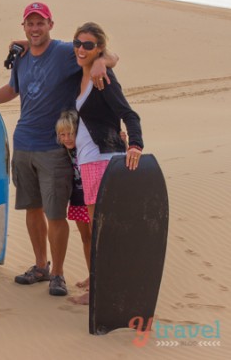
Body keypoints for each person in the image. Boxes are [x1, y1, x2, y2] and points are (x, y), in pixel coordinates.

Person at [0, 2, 117, 297]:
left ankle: (58, 273)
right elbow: (13, 89)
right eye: (30, 24)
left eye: (40, 23)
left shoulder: (64, 52)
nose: (35, 28)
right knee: (32, 209)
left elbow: (104, 52)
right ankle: (40, 266)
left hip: (54, 147)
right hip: (24, 144)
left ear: (50, 24)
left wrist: (101, 62)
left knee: (55, 213)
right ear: (24, 27)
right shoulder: (20, 58)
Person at [69, 22, 143, 305]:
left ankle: (100, 290)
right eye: (78, 43)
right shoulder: (84, 71)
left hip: (104, 159)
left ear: (99, 48)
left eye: (89, 45)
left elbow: (129, 114)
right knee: (98, 228)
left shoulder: (104, 78)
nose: (81, 49)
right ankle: (102, 281)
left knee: (102, 231)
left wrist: (135, 144)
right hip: (88, 161)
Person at [55, 110, 91, 290]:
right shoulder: (62, 152)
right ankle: (92, 275)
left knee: (97, 239)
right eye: (63, 135)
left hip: (92, 199)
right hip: (77, 199)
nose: (67, 138)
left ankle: (99, 277)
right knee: (86, 238)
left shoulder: (88, 148)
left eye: (71, 134)